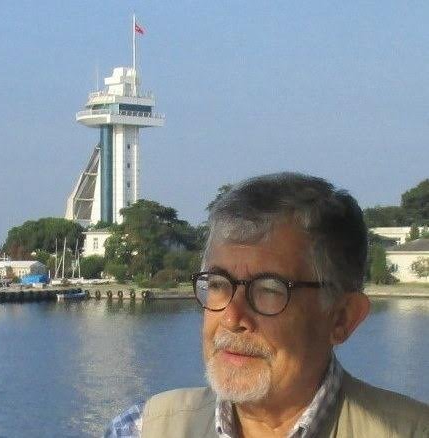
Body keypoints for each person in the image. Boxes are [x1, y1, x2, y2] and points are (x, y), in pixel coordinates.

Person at [105, 172, 429, 438]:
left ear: (342, 318)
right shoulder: (142, 429)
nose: (232, 317)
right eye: (218, 284)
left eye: (269, 290)